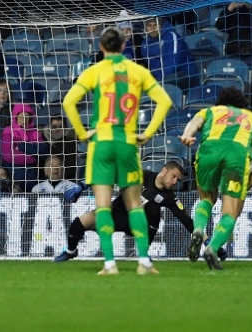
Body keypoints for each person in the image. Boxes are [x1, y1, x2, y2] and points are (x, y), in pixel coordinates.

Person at [62, 27, 173, 275]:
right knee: (134, 204)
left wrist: (82, 132)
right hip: (127, 142)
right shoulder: (137, 71)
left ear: (101, 47)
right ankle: (144, 262)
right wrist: (147, 133)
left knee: (103, 206)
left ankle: (110, 264)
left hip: (101, 142)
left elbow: (68, 101)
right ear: (124, 46)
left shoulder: (94, 71)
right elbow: (165, 101)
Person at [54, 160, 229, 261]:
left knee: (153, 208)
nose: (175, 181)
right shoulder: (142, 176)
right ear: (163, 171)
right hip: (115, 214)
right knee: (77, 225)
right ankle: (71, 251)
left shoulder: (169, 197)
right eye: (173, 176)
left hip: (136, 225)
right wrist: (82, 186)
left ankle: (143, 253)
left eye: (177, 179)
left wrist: (209, 243)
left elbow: (187, 221)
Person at [179, 87, 252, 270]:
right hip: (236, 155)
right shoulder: (251, 118)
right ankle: (212, 248)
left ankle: (198, 230)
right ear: (242, 104)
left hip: (209, 150)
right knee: (230, 212)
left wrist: (187, 135)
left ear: (221, 102)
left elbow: (194, 122)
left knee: (206, 199)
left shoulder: (210, 111)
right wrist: (243, 189)